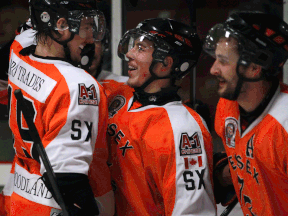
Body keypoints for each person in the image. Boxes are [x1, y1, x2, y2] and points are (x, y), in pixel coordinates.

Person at [1, 0, 114, 215]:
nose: (90, 37)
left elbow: (33, 22)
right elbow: (67, 178)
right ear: (60, 26)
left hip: (21, 198)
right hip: (56, 207)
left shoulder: (19, 47)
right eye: (86, 26)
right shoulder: (77, 83)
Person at [105, 18, 216, 215]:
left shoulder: (182, 128)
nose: (130, 54)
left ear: (165, 63)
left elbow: (192, 211)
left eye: (141, 48)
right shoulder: (118, 93)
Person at [203, 11, 288, 215]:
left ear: (254, 68)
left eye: (223, 61)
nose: (213, 69)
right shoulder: (227, 108)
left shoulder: (284, 124)